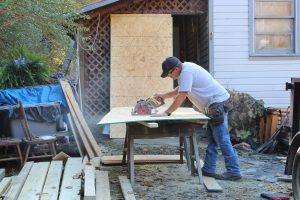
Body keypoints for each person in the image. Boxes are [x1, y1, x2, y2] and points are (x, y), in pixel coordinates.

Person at [152, 56, 241, 181]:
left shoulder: (186, 72)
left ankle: (234, 171)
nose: (169, 76)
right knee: (213, 139)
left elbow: (182, 95)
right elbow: (180, 89)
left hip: (217, 104)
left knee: (222, 139)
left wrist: (167, 112)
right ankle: (209, 169)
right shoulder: (186, 69)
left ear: (176, 69)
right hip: (214, 105)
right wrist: (164, 96)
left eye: (169, 73)